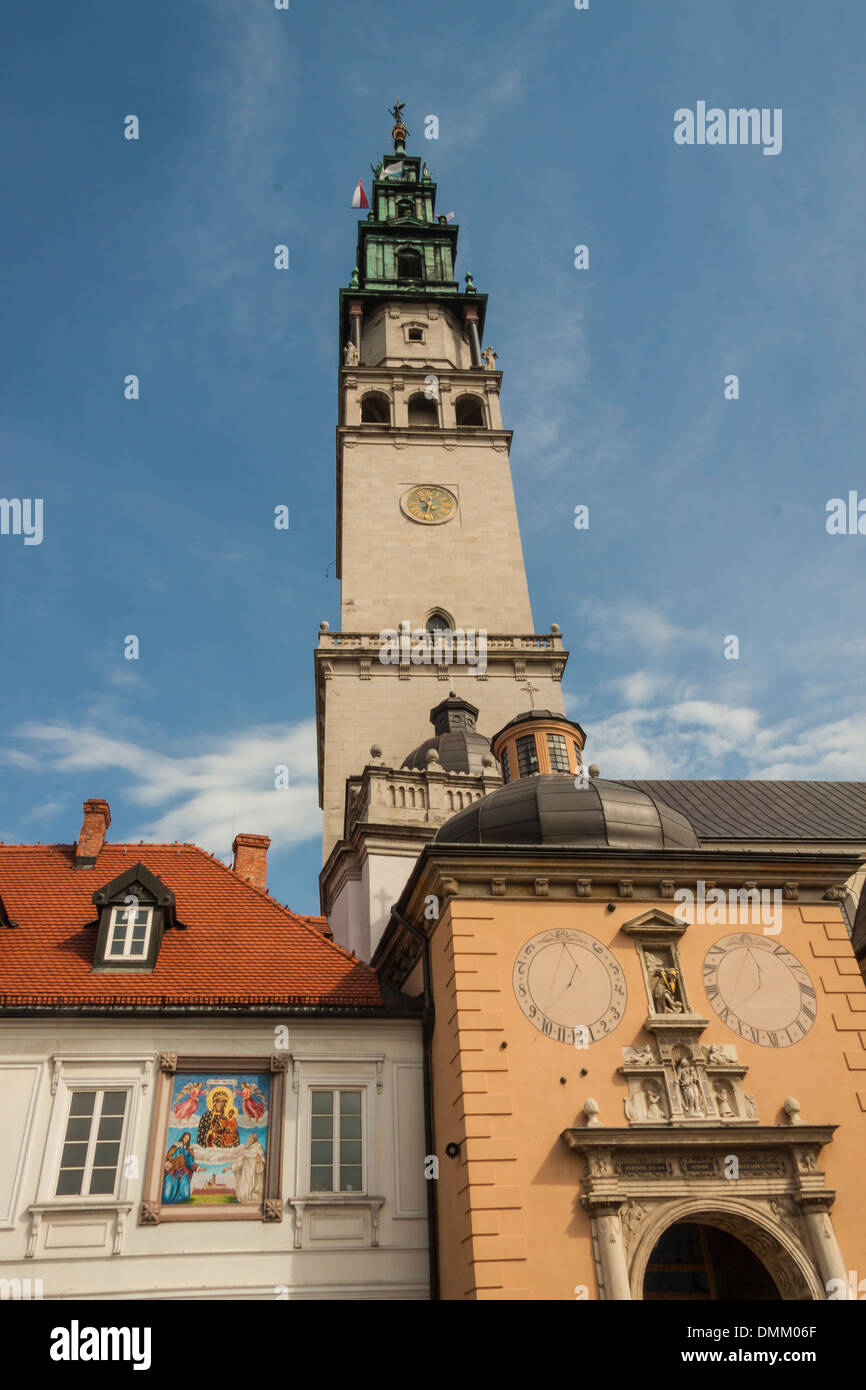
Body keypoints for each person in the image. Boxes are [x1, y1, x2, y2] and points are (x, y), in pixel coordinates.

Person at [162, 1132, 196, 1204]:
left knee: (186, 1196)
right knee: (166, 1197)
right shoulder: (174, 1147)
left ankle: (180, 1194)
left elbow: (191, 1161)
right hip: (172, 1172)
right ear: (182, 1137)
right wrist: (167, 1164)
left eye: (188, 1139)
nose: (186, 1140)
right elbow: (167, 1158)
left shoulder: (188, 1150)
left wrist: (197, 1167)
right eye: (185, 1138)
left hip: (183, 1173)